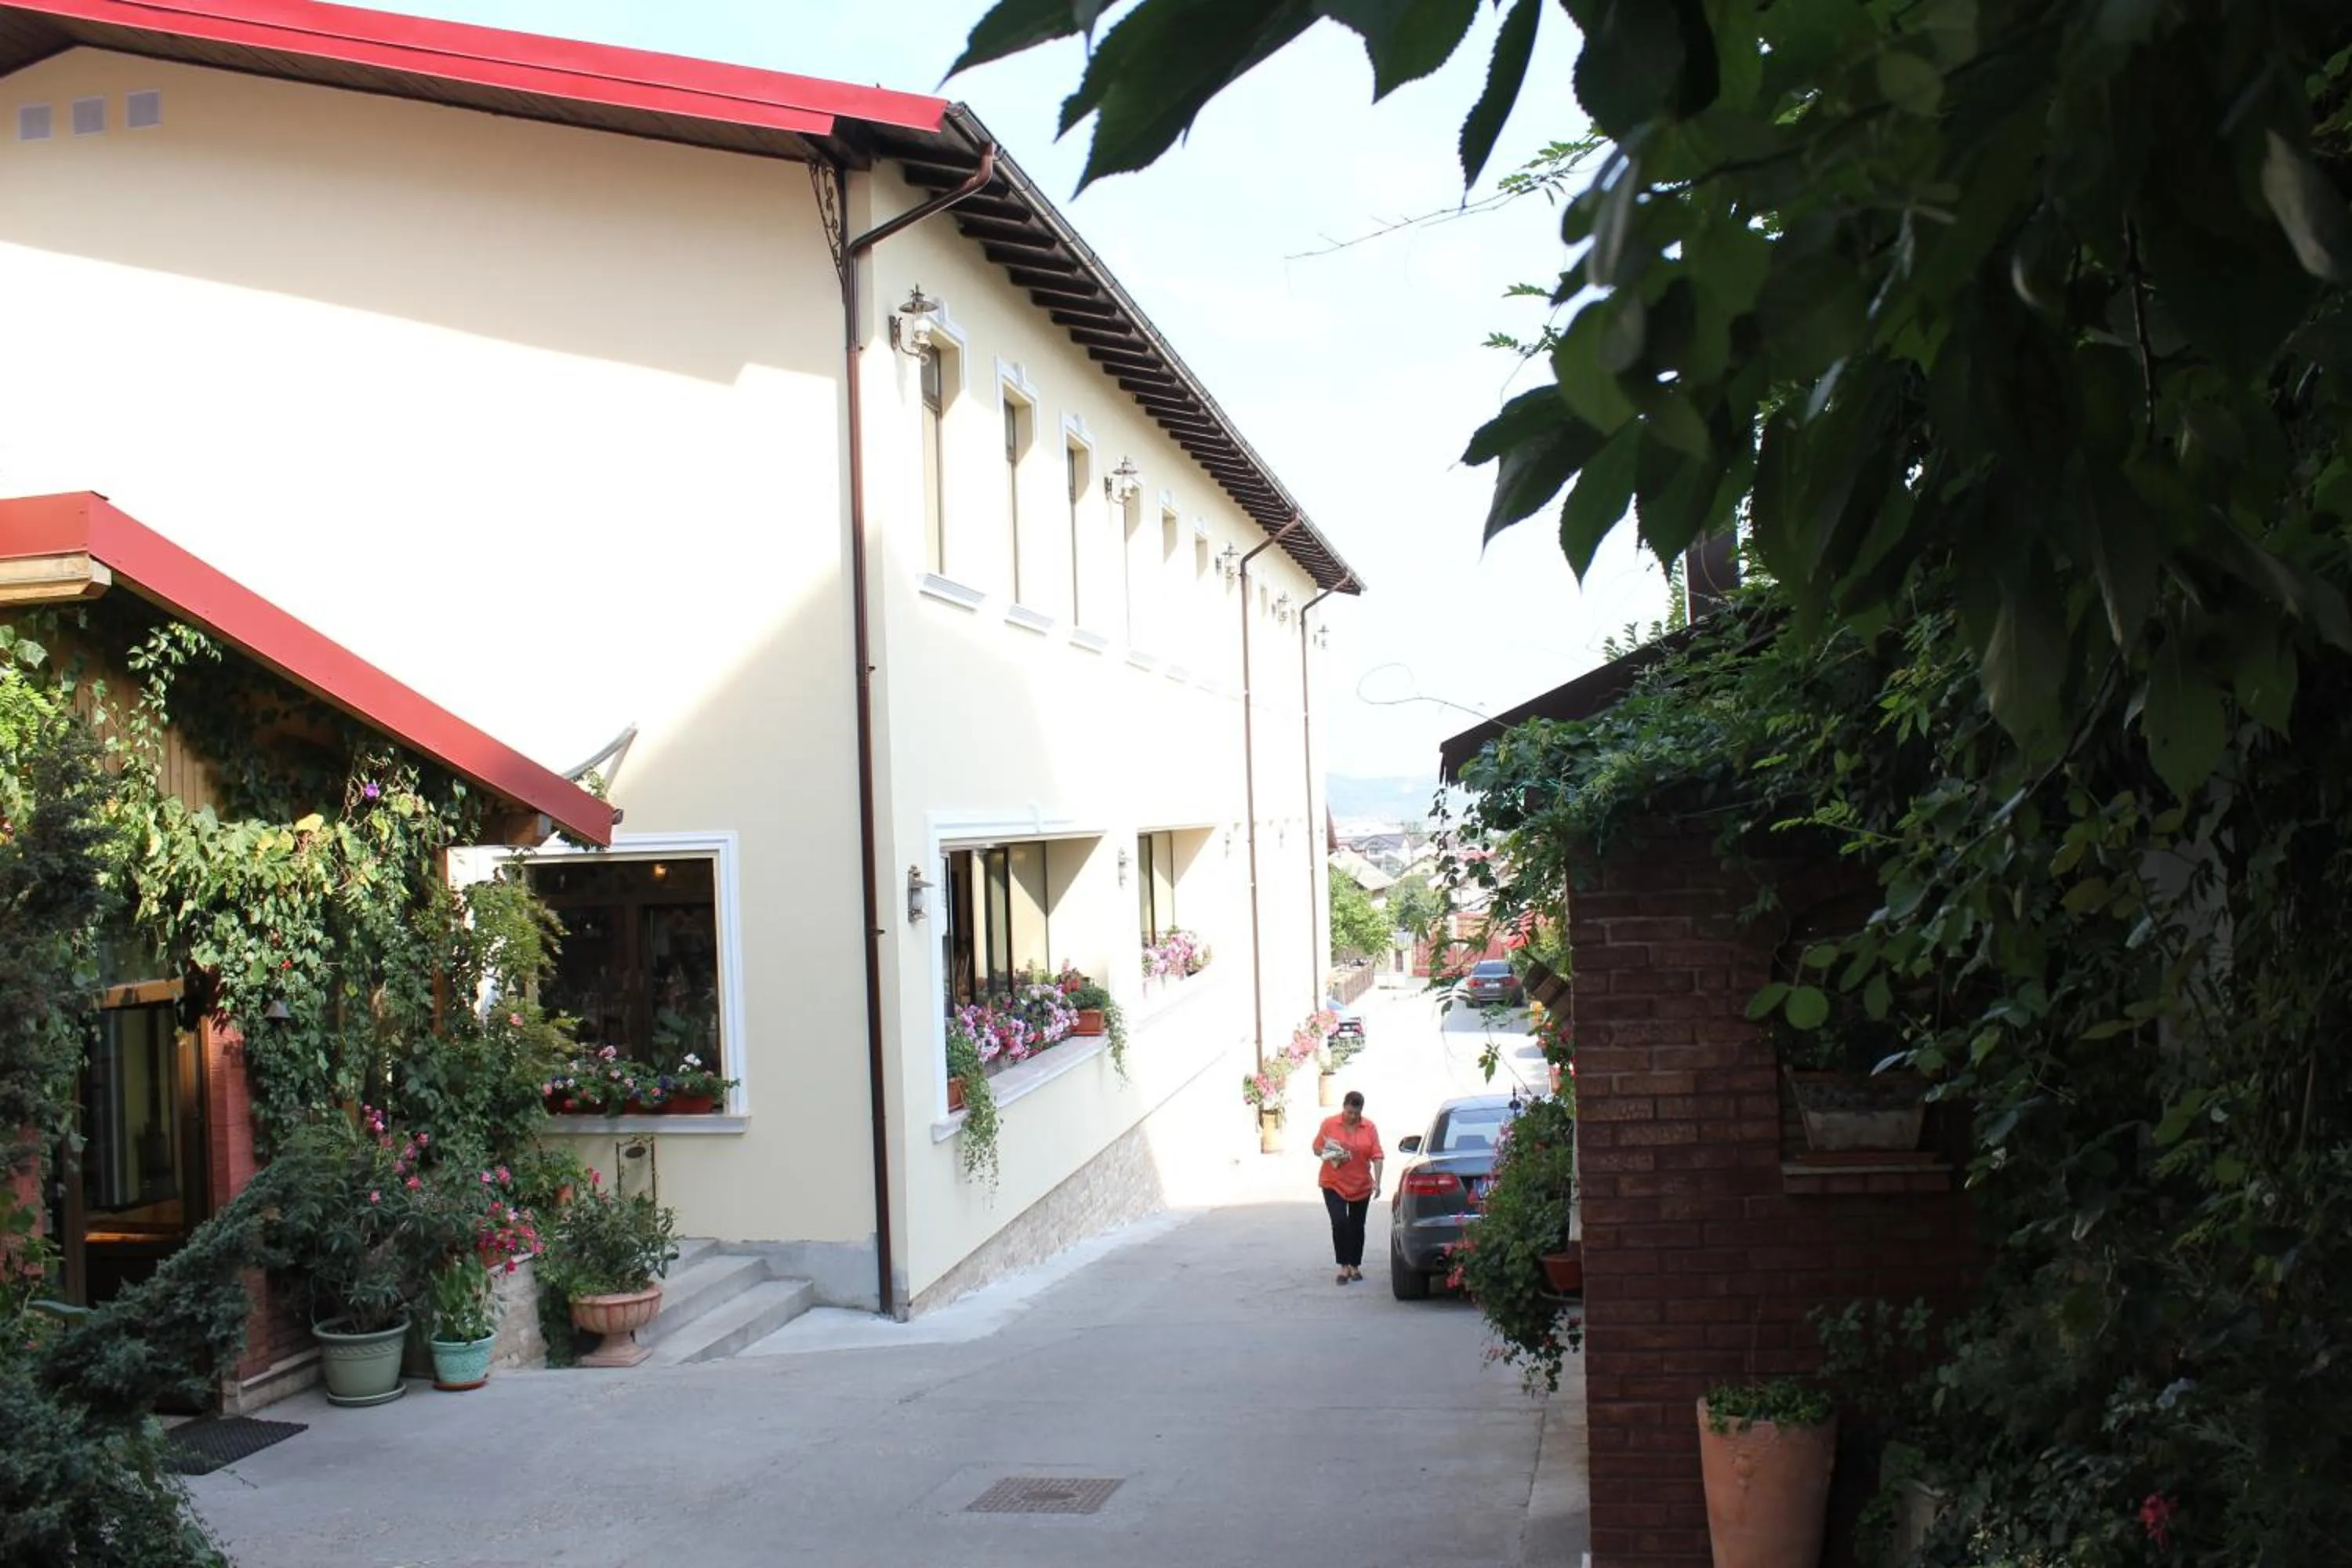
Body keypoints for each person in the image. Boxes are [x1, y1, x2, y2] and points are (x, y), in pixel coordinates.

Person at [1313, 1090, 1384, 1284]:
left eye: (1356, 1113)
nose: (1352, 1117)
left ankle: (1355, 1265)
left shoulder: (1369, 1127)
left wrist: (1378, 1181)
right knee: (1339, 1222)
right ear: (1344, 1108)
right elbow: (1316, 1148)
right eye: (1349, 1112)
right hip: (1333, 1182)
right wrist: (1331, 1153)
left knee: (1357, 1226)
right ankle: (1343, 1266)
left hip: (1360, 1184)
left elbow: (1377, 1155)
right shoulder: (1329, 1124)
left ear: (1361, 1111)